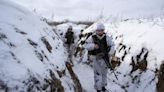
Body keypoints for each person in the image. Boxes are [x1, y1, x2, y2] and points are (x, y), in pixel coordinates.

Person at [84, 23, 115, 92]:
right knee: (98, 74)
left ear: (103, 30)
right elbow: (86, 45)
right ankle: (98, 88)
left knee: (104, 73)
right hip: (96, 58)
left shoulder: (107, 37)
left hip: (105, 58)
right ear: (96, 30)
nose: (100, 32)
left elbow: (112, 46)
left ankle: (103, 86)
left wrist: (110, 53)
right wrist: (93, 46)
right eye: (98, 30)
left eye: (101, 30)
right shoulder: (92, 37)